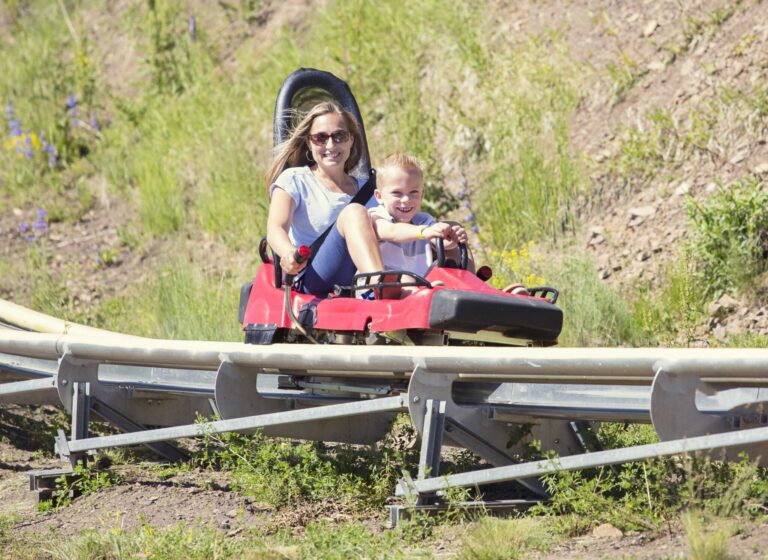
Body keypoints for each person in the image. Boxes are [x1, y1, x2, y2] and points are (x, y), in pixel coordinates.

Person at [265, 101, 389, 296]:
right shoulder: (294, 179)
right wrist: (289, 253)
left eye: (340, 136)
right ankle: (381, 287)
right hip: (315, 277)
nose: (331, 145)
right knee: (354, 212)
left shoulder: (371, 187)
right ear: (309, 142)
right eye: (320, 138)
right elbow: (276, 229)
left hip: (369, 268)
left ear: (351, 141)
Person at [368, 152, 470, 278]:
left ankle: (473, 286)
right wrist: (424, 232)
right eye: (397, 193)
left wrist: (451, 240)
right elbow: (392, 232)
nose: (406, 199)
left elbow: (437, 240)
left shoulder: (424, 220)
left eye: (413, 192)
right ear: (379, 196)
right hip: (383, 286)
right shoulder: (377, 216)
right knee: (406, 280)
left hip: (419, 285)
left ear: (422, 195)